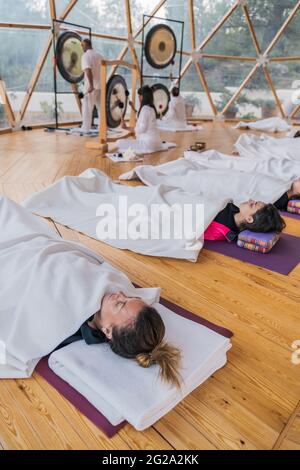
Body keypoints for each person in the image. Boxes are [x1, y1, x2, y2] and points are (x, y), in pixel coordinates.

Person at [57, 291, 182, 388]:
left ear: (108, 331)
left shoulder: (68, 329)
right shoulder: (108, 302)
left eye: (120, 304)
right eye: (127, 296)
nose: (120, 293)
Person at [204, 199, 286, 241]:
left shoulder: (219, 229)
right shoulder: (235, 210)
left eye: (252, 205)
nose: (250, 200)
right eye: (255, 201)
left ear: (249, 219)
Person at [117, 85, 163, 154]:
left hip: (148, 144)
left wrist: (126, 128)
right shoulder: (151, 108)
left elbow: (142, 129)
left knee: (118, 143)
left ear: (143, 96)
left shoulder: (145, 109)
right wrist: (133, 107)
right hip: (157, 142)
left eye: (139, 95)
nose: (139, 97)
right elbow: (141, 115)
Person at [80, 38, 103, 133]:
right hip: (101, 86)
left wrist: (91, 85)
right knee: (101, 109)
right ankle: (102, 128)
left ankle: (85, 129)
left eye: (82, 45)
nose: (81, 47)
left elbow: (88, 70)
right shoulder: (99, 55)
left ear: (85, 45)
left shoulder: (86, 56)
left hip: (92, 87)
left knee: (87, 108)